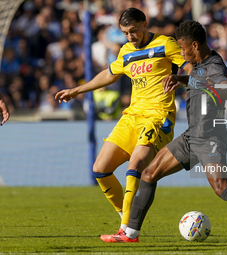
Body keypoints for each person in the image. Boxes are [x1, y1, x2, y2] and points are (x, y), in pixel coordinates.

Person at [100, 20, 227, 245]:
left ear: (195, 46)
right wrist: (179, 79)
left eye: (183, 48)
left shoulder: (214, 66)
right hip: (191, 136)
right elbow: (196, 79)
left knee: (221, 188)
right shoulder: (198, 65)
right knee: (149, 174)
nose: (181, 53)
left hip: (210, 137)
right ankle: (130, 234)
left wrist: (202, 85)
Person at [55, 8, 191, 236]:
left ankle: (127, 230)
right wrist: (77, 90)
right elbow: (109, 74)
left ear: (144, 24)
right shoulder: (126, 51)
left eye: (134, 31)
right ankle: (126, 214)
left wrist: (181, 79)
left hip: (158, 115)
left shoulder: (165, 44)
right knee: (100, 169)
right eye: (125, 33)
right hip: (132, 116)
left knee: (135, 164)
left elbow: (190, 67)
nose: (130, 37)